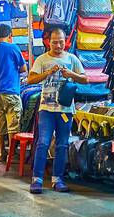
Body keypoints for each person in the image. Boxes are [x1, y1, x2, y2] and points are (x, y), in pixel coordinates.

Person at [25, 26, 88, 194]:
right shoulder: (42, 59)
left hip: (65, 110)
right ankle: (37, 179)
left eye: (61, 42)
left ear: (66, 41)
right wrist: (47, 73)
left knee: (62, 144)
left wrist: (71, 75)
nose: (58, 46)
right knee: (43, 142)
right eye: (55, 42)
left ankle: (57, 179)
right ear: (48, 42)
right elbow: (30, 79)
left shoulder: (72, 59)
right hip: (46, 108)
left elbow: (85, 79)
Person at [0, 24, 27, 160]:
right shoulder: (14, 48)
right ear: (10, 36)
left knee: (0, 123)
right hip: (11, 91)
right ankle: (11, 154)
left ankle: (2, 153)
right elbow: (23, 69)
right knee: (13, 124)